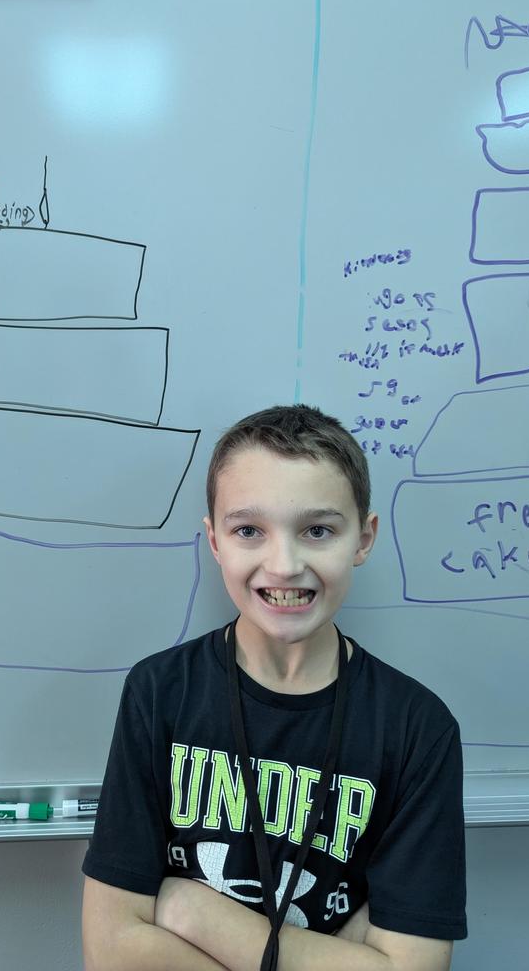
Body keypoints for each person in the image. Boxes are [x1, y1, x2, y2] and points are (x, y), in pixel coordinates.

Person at [82, 404, 467, 971]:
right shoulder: (160, 692)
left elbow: (414, 966)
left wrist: (197, 914)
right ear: (215, 541)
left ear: (363, 539)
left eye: (318, 530)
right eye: (249, 531)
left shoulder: (417, 729)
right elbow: (111, 952)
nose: (284, 565)